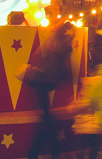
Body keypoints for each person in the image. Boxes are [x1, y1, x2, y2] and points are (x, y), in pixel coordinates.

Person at [26, 22, 75, 159]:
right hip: (47, 81)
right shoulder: (66, 45)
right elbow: (64, 66)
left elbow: (38, 55)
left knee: (46, 119)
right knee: (47, 121)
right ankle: (45, 151)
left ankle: (44, 151)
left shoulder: (51, 38)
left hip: (39, 79)